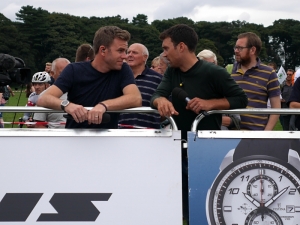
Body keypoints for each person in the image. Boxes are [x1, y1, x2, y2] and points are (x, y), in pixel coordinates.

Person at [150, 24, 248, 224]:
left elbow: (240, 99)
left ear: (182, 47)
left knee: (207, 204)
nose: (164, 54)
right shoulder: (171, 72)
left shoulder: (214, 72)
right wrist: (161, 101)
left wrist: (210, 104)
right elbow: (157, 94)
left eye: (167, 48)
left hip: (207, 149)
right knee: (181, 205)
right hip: (177, 147)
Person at [37, 26, 142, 129]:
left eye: (125, 51)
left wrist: (104, 106)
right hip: (75, 140)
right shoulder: (74, 70)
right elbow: (43, 99)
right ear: (103, 50)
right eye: (120, 51)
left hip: (109, 141)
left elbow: (135, 98)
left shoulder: (123, 69)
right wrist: (67, 105)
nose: (125, 56)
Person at [231, 32, 281, 130]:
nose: (236, 51)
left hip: (256, 136)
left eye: (240, 48)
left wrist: (265, 134)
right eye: (235, 47)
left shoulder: (269, 73)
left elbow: (276, 108)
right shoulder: (229, 71)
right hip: (231, 135)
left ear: (252, 50)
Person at [119, 43, 162, 129]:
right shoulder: (117, 76)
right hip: (118, 132)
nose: (130, 55)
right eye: (128, 52)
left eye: (134, 53)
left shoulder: (158, 79)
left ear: (145, 57)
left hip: (148, 134)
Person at [197, 49, 240, 129]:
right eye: (205, 64)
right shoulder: (190, 86)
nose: (210, 68)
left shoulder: (225, 88)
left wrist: (213, 119)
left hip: (220, 136)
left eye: (213, 64)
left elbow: (236, 120)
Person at [33, 58, 70, 128]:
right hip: (54, 138)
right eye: (63, 73)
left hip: (76, 138)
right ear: (52, 74)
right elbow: (39, 124)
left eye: (70, 72)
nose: (68, 76)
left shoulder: (80, 93)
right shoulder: (44, 96)